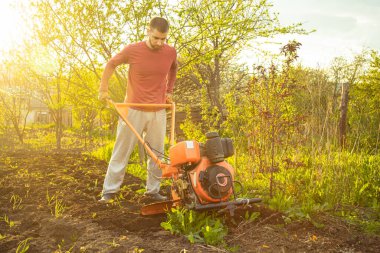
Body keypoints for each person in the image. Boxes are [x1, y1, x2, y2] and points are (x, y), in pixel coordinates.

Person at [98, 17, 178, 203]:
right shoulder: (133, 50)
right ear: (148, 31)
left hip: (158, 109)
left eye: (163, 39)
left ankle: (153, 191)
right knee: (122, 151)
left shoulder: (170, 52)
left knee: (157, 154)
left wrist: (169, 90)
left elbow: (174, 68)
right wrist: (103, 89)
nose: (159, 42)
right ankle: (109, 192)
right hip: (132, 109)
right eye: (156, 38)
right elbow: (111, 64)